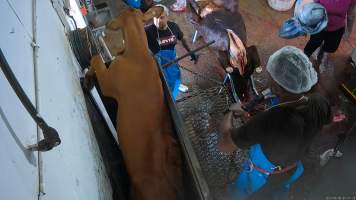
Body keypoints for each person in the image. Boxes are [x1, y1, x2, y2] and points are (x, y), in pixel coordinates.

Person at [145, 4, 198, 99]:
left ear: (167, 16)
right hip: (157, 62)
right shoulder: (147, 31)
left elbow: (182, 39)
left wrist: (191, 52)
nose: (157, 21)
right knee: (161, 81)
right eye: (155, 18)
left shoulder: (174, 27)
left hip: (172, 58)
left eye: (161, 17)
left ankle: (177, 86)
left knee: (176, 75)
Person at [303, 0, 356, 73]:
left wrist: (348, 31)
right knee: (313, 44)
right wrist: (305, 24)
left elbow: (351, 13)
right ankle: (303, 57)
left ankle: (321, 53)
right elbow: (312, 7)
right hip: (319, 25)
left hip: (337, 27)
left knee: (330, 48)